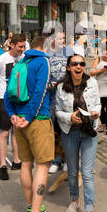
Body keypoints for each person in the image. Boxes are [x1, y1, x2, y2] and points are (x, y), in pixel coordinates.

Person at [4, 36, 58, 212]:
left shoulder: (21, 61)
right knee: (43, 166)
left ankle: (32, 206)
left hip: (19, 121)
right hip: (37, 120)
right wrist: (28, 116)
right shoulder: (43, 61)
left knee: (26, 164)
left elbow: (8, 93)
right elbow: (40, 93)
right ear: (46, 46)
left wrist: (13, 115)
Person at [55, 54, 101, 212]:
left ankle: (89, 211)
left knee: (87, 173)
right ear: (68, 67)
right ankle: (74, 200)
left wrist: (96, 112)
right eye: (75, 64)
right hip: (70, 133)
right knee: (72, 171)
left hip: (89, 132)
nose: (79, 66)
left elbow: (98, 103)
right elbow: (58, 111)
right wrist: (69, 117)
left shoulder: (92, 83)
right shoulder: (61, 87)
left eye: (81, 63)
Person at [0, 34, 26, 180]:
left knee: (17, 130)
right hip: (4, 100)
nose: (23, 49)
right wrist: (1, 92)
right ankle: (2, 165)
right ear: (12, 45)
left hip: (18, 99)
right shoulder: (1, 59)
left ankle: (17, 160)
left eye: (24, 46)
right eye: (20, 47)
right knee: (4, 132)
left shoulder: (23, 58)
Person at [47, 31, 74, 174]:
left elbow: (75, 69)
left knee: (68, 128)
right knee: (54, 130)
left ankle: (68, 159)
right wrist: (49, 83)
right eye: (59, 38)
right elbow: (45, 75)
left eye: (63, 38)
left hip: (67, 95)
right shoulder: (47, 54)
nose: (62, 40)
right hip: (52, 97)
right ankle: (56, 160)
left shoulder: (69, 51)